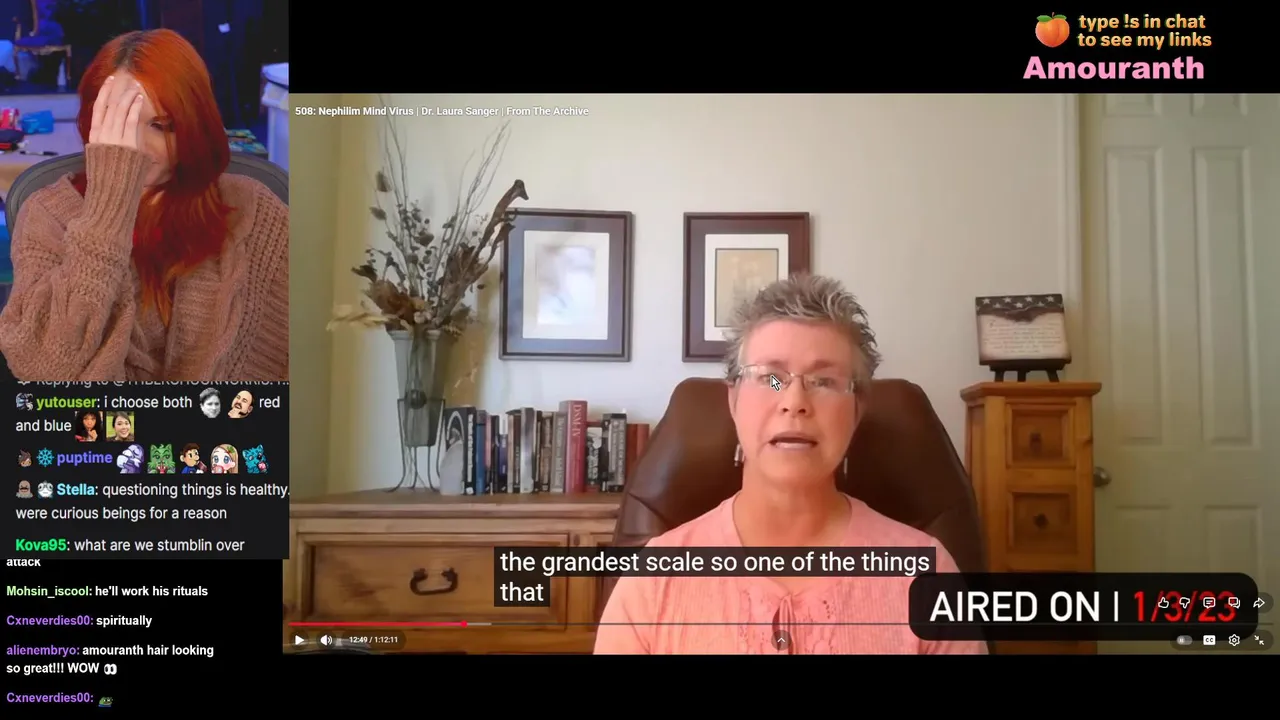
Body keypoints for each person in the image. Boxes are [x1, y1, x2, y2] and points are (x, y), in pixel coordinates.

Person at [594, 274, 986, 655]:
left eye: (824, 381)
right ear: (733, 401)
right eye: (771, 378)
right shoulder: (655, 579)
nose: (794, 401)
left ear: (857, 409)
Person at [0, 29, 288, 381]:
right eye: (118, 123)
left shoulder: (255, 207)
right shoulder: (46, 214)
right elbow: (44, 370)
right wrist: (108, 209)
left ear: (194, 125)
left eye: (160, 125)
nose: (135, 147)